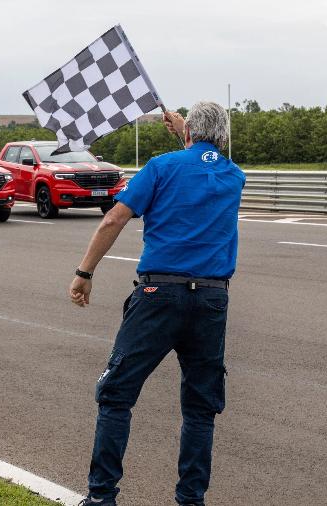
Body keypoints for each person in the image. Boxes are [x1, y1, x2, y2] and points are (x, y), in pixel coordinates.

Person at [68, 101, 245, 506]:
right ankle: (190, 499)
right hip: (213, 298)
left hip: (158, 294)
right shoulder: (234, 176)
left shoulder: (161, 167)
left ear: (187, 135)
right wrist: (189, 134)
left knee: (117, 394)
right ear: (222, 138)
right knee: (200, 408)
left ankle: (101, 497)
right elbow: (208, 157)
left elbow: (114, 219)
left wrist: (85, 272)